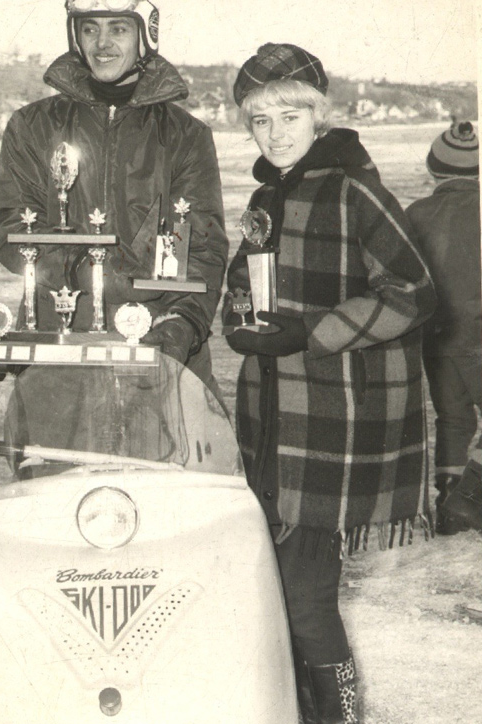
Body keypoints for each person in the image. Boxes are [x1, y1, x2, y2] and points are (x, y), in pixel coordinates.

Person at [223, 43, 437, 724]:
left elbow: (413, 294)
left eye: (290, 116)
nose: (276, 133)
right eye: (261, 120)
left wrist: (311, 331)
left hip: (329, 426)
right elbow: (242, 285)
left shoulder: (355, 191)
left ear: (319, 117)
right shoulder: (266, 196)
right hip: (270, 422)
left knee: (306, 597)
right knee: (275, 591)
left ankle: (339, 716)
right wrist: (239, 322)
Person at [0, 0, 228, 385]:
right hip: (60, 331)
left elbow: (202, 246)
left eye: (118, 29)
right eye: (89, 28)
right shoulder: (33, 125)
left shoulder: (186, 135)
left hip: (153, 331)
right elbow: (8, 222)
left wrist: (182, 325)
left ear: (144, 37)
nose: (102, 43)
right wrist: (88, 270)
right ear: (75, 37)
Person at [406, 121, 482, 532]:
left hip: (436, 339)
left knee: (452, 418)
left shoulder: (415, 214)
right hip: (479, 336)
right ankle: (471, 495)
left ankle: (450, 499)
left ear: (433, 168)